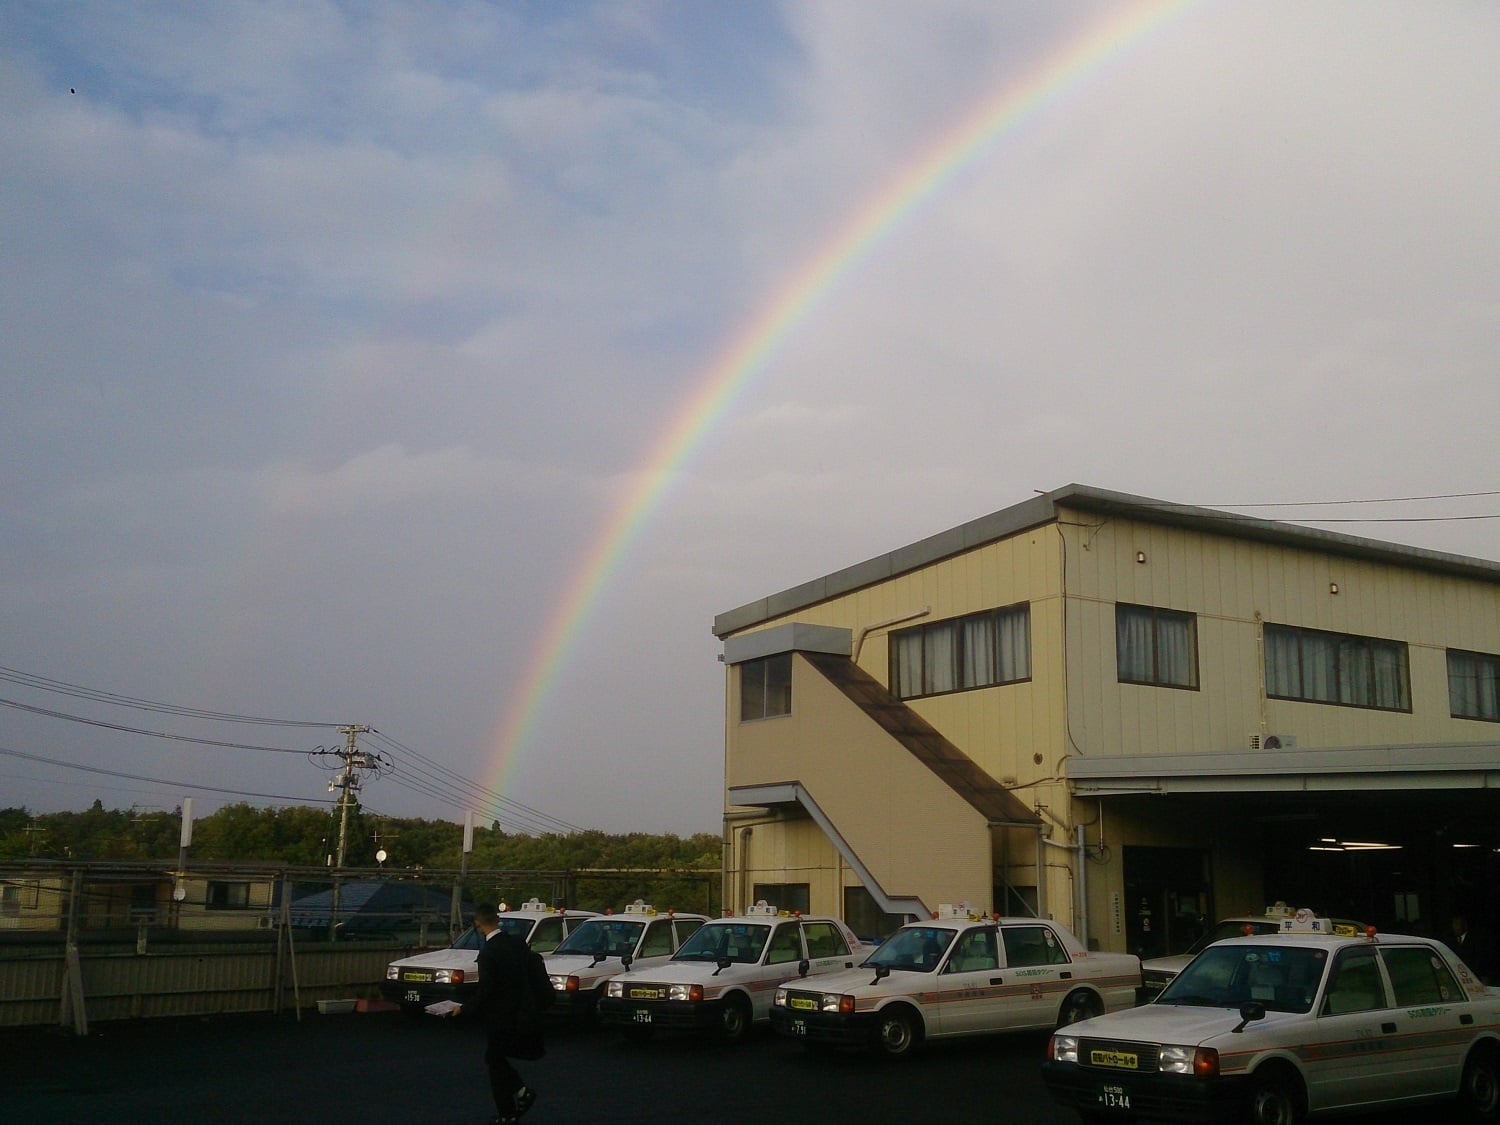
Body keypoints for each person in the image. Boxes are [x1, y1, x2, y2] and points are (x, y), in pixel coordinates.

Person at [448, 905, 540, 1124]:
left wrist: (463, 1008)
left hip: (499, 1015)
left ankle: (511, 1107)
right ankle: (515, 1101)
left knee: (495, 1060)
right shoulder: (516, 944)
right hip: (521, 1010)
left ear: (477, 924)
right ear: (497, 919)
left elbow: (486, 990)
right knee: (495, 1059)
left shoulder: (488, 953)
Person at [1451, 911, 1495, 986]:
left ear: (1464, 925)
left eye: (1457, 924)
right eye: (1453, 924)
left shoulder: (1476, 940)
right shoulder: (1452, 941)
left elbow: (1482, 959)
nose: (1455, 927)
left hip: (1475, 978)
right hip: (1460, 979)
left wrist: (1484, 977)